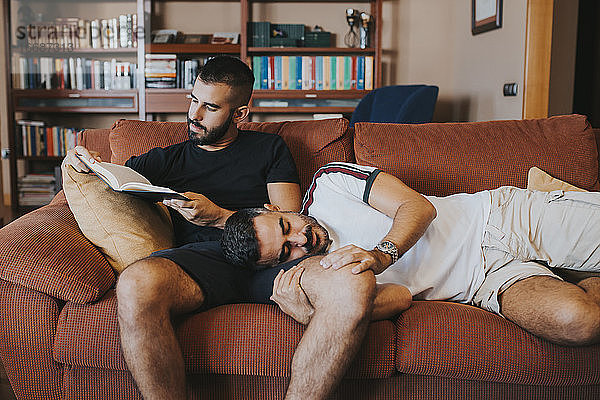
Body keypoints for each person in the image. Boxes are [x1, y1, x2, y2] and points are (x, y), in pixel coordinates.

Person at [64, 56, 372, 400]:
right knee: (135, 283)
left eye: (210, 107)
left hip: (274, 257)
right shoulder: (166, 160)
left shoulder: (269, 148)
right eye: (193, 101)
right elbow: (114, 183)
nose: (195, 115)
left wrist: (219, 216)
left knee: (347, 284)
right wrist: (83, 164)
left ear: (239, 113)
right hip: (204, 261)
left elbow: (289, 218)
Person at [222, 161, 600, 352]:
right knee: (580, 323)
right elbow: (399, 297)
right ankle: (576, 270)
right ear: (279, 264)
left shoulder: (329, 184)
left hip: (498, 219)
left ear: (273, 208)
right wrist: (312, 311)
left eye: (286, 226)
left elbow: (417, 206)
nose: (301, 239)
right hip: (487, 283)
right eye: (287, 251)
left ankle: (568, 243)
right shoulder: (317, 273)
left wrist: (380, 255)